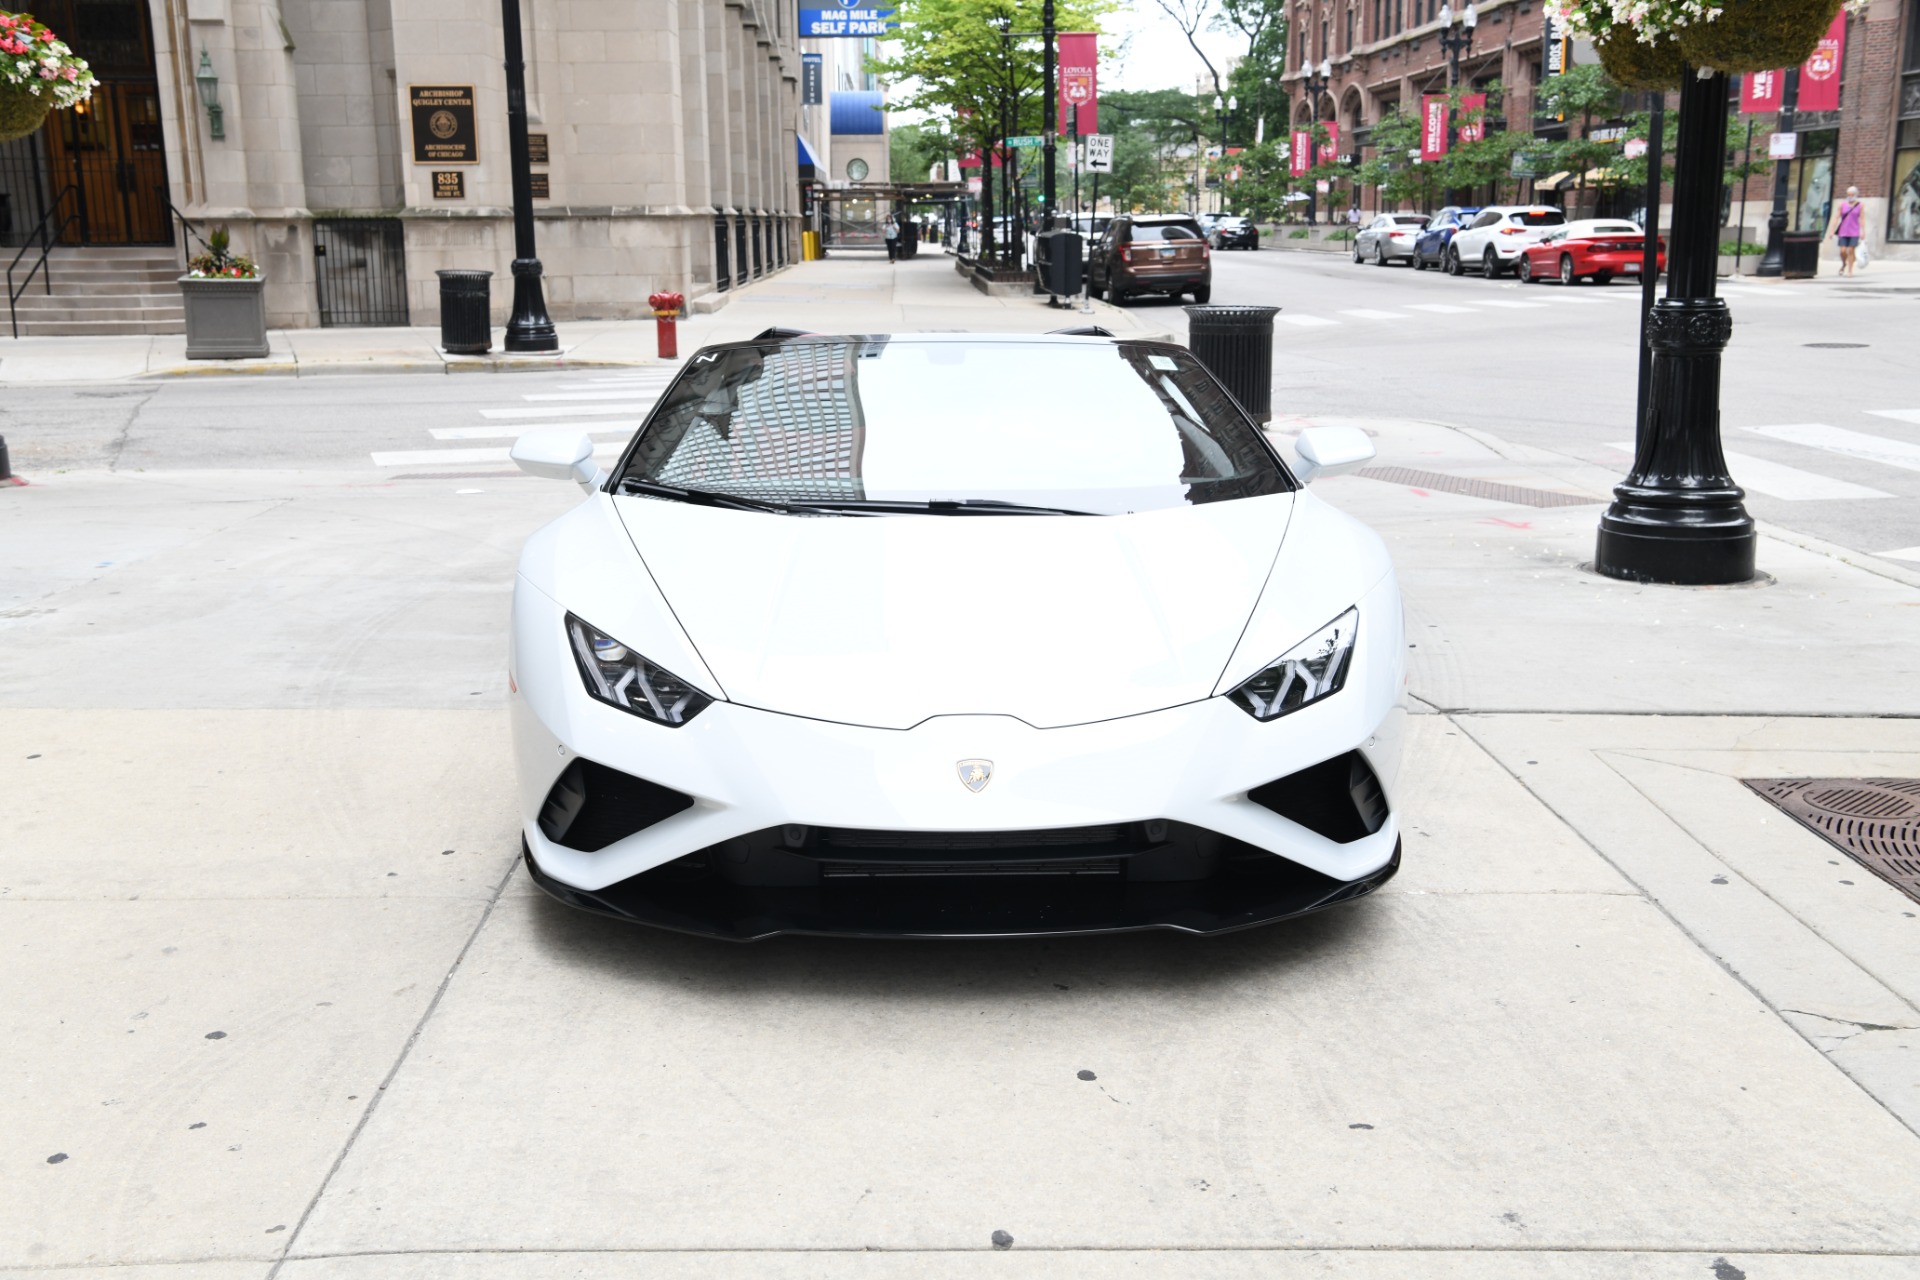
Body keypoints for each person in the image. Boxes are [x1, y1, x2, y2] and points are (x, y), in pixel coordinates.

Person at [1830, 185, 1864, 276]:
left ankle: (1850, 270)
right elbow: (1836, 217)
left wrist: (1863, 231)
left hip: (1854, 231)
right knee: (1843, 251)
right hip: (1843, 231)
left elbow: (1862, 219)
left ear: (1856, 195)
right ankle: (1844, 263)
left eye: (1852, 194)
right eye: (1848, 194)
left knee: (1851, 250)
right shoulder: (1842, 205)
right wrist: (1832, 231)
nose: (1850, 196)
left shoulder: (1860, 205)